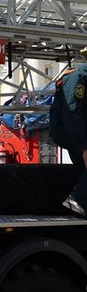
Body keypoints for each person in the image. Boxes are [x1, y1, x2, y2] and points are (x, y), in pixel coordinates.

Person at [50, 59, 87, 217]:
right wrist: (84, 146)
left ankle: (80, 204)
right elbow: (72, 113)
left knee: (83, 169)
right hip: (70, 131)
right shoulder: (78, 77)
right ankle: (77, 200)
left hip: (76, 132)